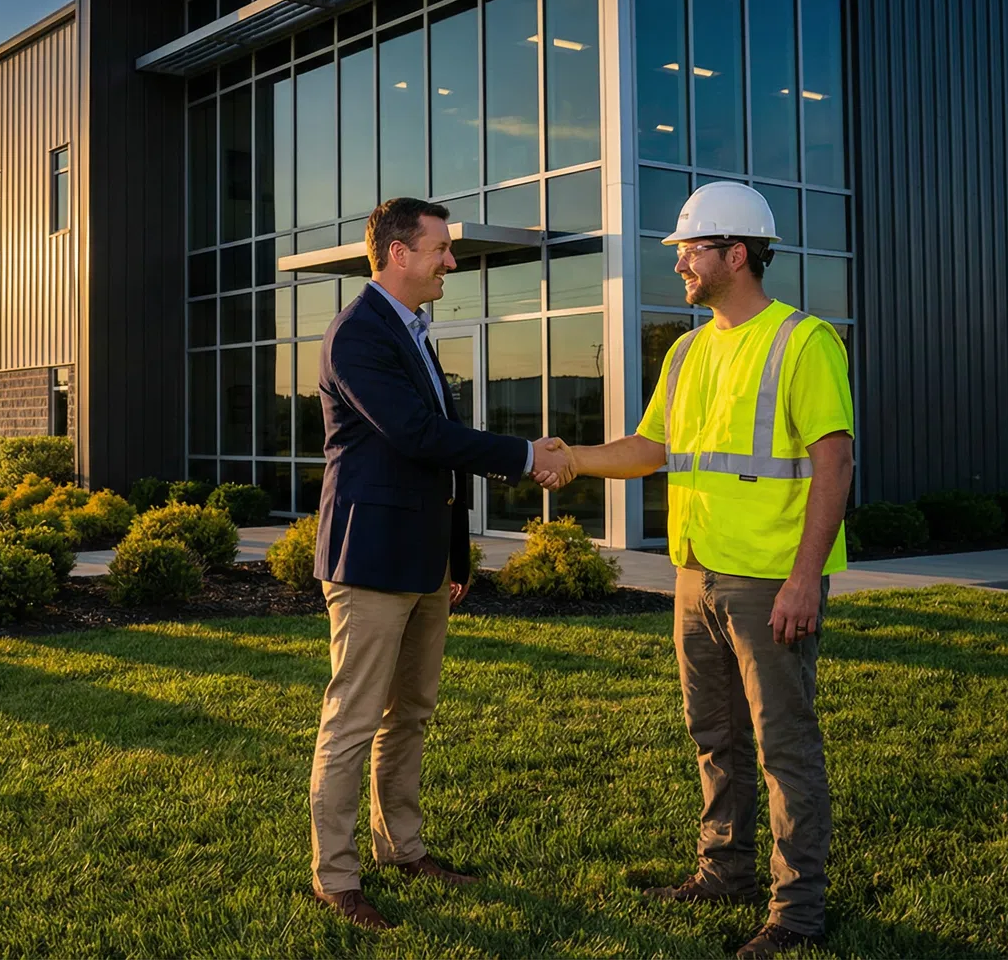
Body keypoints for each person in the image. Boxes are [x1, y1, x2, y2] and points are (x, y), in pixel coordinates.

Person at [532, 181, 853, 959]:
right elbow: (653, 449)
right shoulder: (686, 349)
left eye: (690, 250)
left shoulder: (804, 342)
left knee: (784, 745)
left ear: (734, 255)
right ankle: (724, 872)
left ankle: (797, 914)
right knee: (715, 735)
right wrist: (572, 458)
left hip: (770, 579)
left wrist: (805, 579)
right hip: (695, 572)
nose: (678, 263)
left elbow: (835, 463)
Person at [307, 197, 558, 929]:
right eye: (441, 247)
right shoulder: (358, 334)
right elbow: (417, 435)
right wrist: (523, 456)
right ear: (397, 254)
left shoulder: (413, 331)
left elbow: (432, 456)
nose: (452, 260)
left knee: (409, 714)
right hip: (370, 559)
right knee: (354, 721)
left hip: (421, 562)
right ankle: (336, 875)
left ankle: (403, 848)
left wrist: (454, 555)